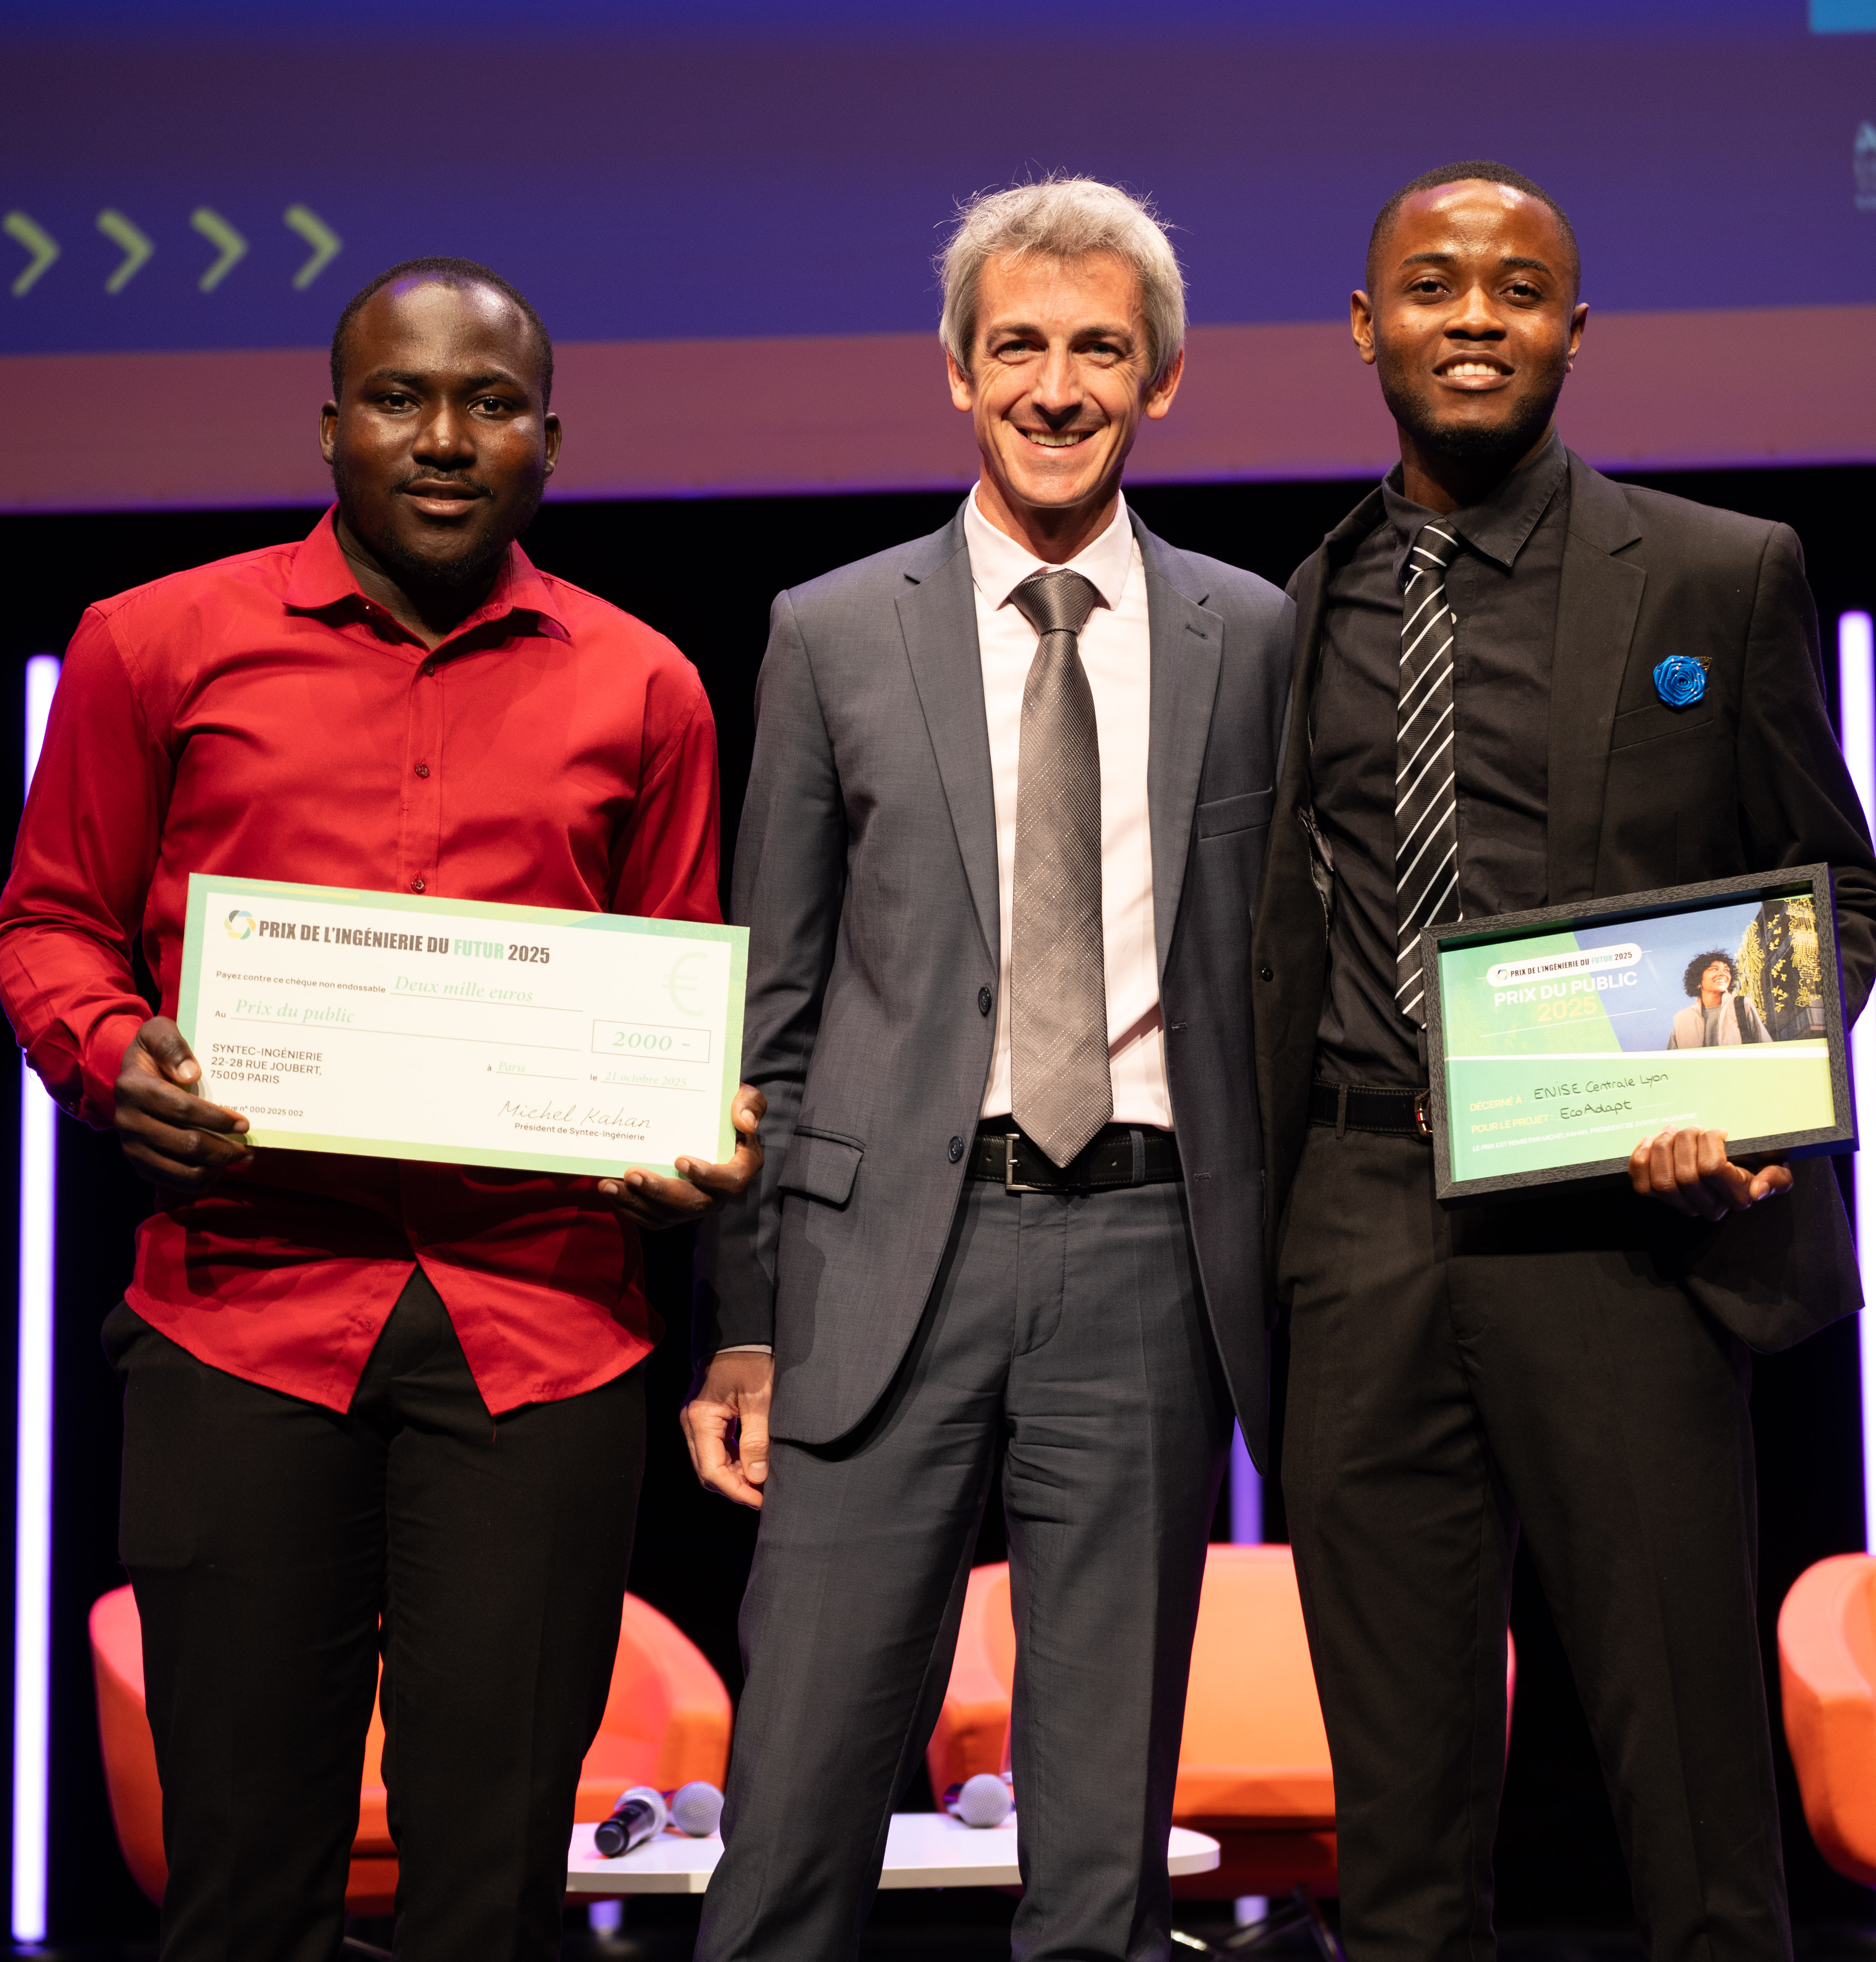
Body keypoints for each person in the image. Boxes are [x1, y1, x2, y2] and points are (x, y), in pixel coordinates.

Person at [0, 258, 760, 1962]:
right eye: (400, 398)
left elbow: (674, 992)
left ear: (547, 445)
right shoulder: (155, 641)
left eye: (487, 405)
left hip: (542, 1325)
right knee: (244, 1877)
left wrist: (688, 1139)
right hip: (245, 1311)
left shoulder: (645, 686)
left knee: (489, 1881)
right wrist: (114, 1056)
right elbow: (46, 923)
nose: (441, 436)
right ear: (331, 425)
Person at [1248, 163, 1876, 1962]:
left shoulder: (1714, 571)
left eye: (1519, 289)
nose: (1477, 316)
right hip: (1363, 1226)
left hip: (1622, 1228)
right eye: (1436, 286)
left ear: (1575, 331)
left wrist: (1747, 1073)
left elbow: (1843, 888)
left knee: (1690, 1810)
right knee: (1393, 1835)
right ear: (1364, 328)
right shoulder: (1289, 617)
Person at [683, 179, 1295, 1962]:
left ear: (1160, 379)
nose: (1054, 384)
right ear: (958, 371)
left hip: (1141, 1262)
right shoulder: (830, 630)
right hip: (879, 1272)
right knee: (790, 1829)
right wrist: (745, 1312)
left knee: (1097, 1859)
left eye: (1097, 347)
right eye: (1017, 344)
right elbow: (770, 1006)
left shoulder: (1248, 637)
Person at [1666, 950, 1771, 1048]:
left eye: (1727, 970)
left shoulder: (1742, 1005)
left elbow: (1766, 1048)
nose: (1723, 974)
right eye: (1714, 969)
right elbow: (1670, 1061)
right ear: (1699, 979)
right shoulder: (1681, 1019)